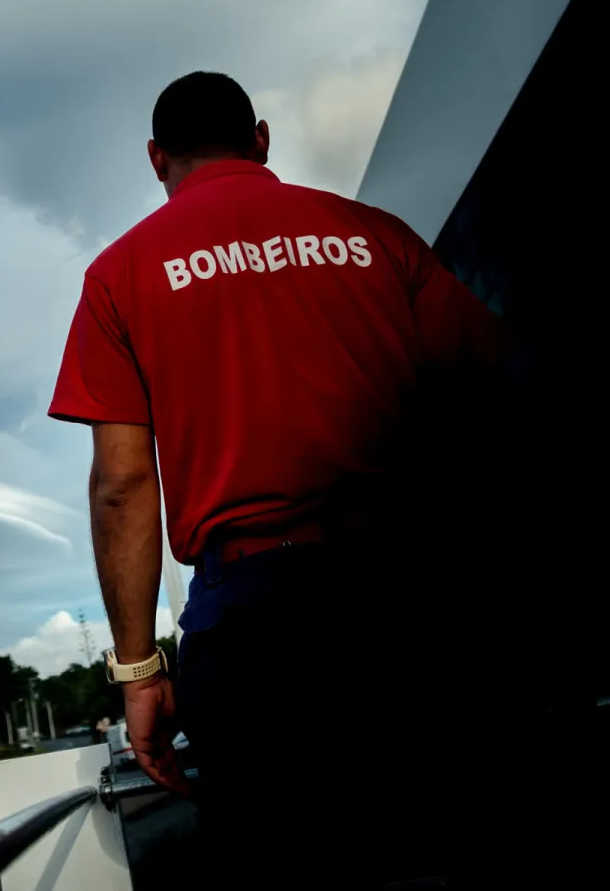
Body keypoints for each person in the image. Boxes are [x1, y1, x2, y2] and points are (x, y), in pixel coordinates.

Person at [47, 72, 520, 884]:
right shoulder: (374, 235)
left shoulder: (119, 276)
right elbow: (493, 400)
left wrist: (138, 672)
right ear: (260, 139)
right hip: (411, 591)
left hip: (250, 621)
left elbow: (122, 486)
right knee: (462, 842)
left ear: (156, 158)